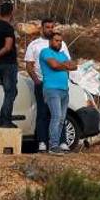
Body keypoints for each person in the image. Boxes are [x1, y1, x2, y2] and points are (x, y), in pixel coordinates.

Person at [24, 18, 70, 151]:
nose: (50, 29)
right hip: (42, 83)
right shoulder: (35, 45)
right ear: (42, 28)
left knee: (60, 114)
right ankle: (42, 141)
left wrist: (64, 74)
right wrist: (36, 80)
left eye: (52, 27)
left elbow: (69, 63)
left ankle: (62, 141)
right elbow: (29, 64)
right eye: (47, 27)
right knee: (43, 113)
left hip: (60, 84)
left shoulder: (61, 44)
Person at [39, 30, 77, 154]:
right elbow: (53, 65)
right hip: (51, 89)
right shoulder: (45, 52)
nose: (59, 43)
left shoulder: (63, 54)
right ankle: (53, 145)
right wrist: (65, 65)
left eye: (60, 41)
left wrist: (63, 65)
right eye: (56, 40)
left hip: (64, 90)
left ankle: (57, 144)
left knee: (62, 119)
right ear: (50, 41)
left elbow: (74, 66)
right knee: (56, 116)